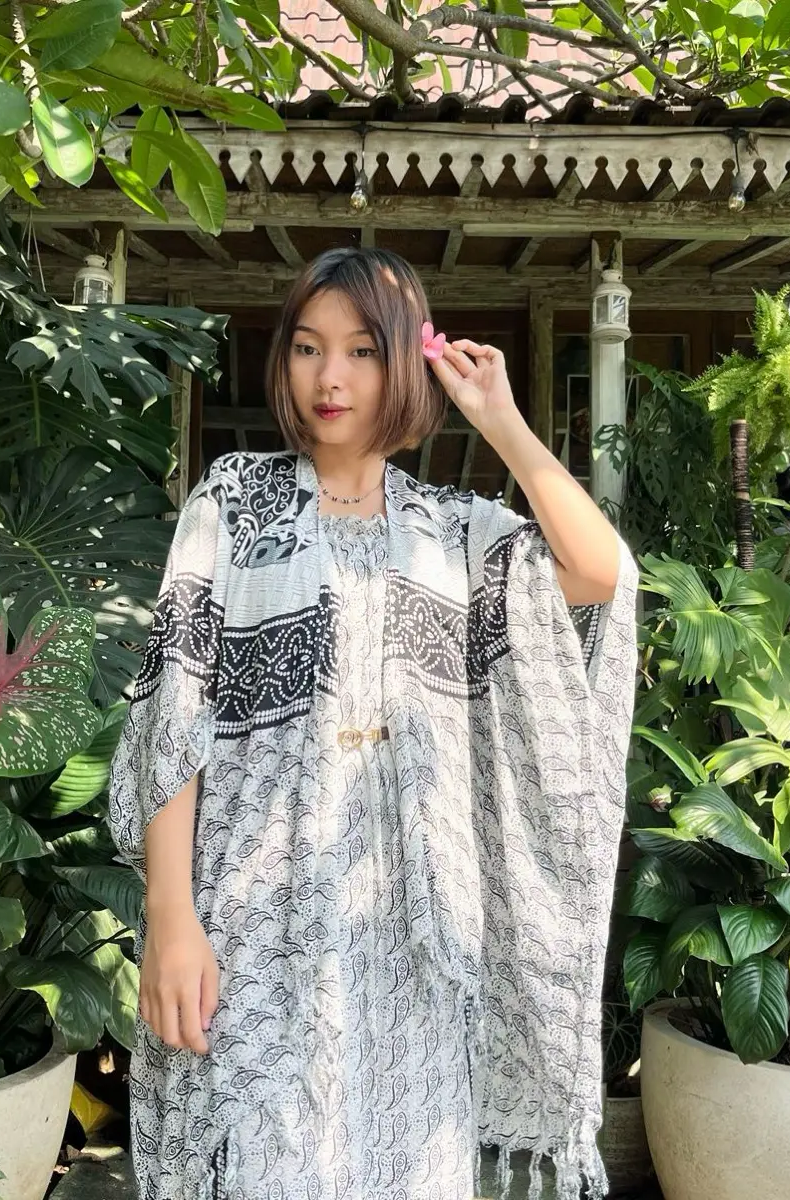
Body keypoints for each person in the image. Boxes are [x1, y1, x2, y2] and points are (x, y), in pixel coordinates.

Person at [107, 247, 639, 1200]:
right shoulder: (232, 502)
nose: (332, 377)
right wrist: (171, 915)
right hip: (256, 914)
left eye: (362, 350)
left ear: (404, 364)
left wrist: (502, 421)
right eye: (308, 347)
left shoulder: (451, 531)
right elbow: (173, 708)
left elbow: (600, 573)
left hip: (413, 929)